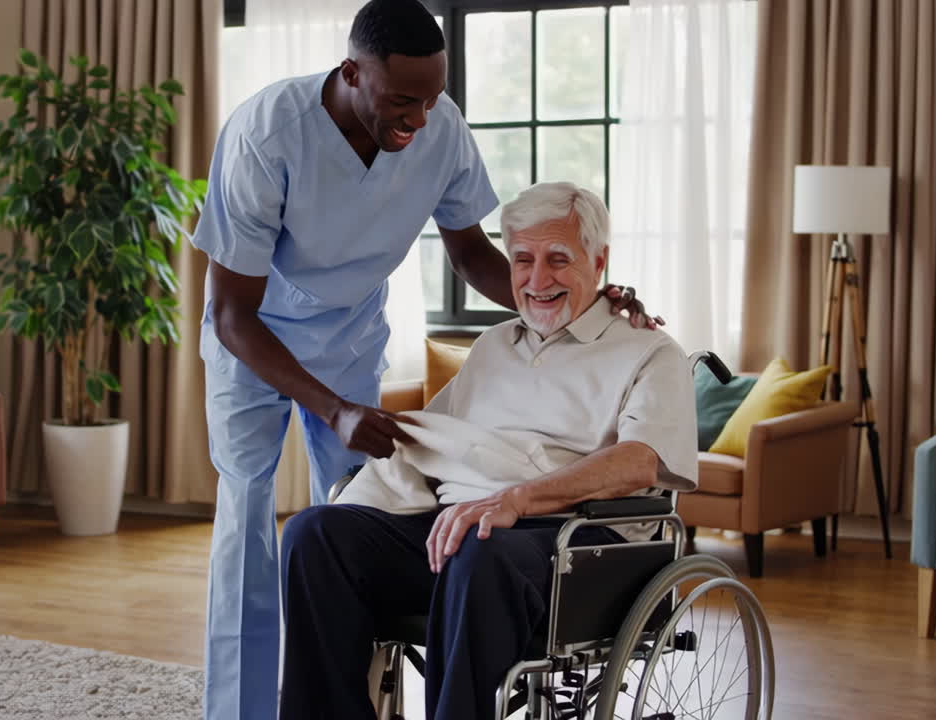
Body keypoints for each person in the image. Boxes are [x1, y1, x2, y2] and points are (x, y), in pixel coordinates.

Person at [191, 2, 657, 718]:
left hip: (346, 335)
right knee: (249, 518)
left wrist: (571, 299)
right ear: (352, 73)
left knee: (347, 520)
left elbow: (472, 253)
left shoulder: (440, 128)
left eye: (432, 98)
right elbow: (230, 312)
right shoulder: (268, 134)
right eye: (401, 99)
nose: (419, 117)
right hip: (256, 337)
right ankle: (242, 711)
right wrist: (334, 409)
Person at [278, 182, 698, 720]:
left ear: (600, 262)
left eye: (559, 259)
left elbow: (641, 459)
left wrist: (518, 499)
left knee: (480, 548)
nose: (538, 279)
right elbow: (437, 442)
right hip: (464, 530)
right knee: (316, 535)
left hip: (576, 543)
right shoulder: (493, 346)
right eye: (523, 259)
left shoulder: (649, 352)